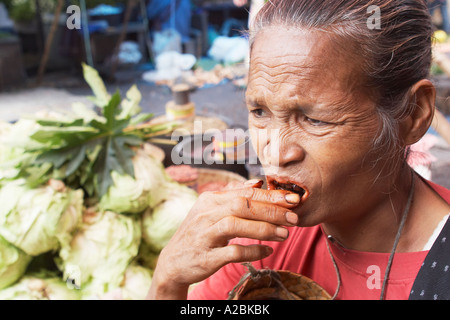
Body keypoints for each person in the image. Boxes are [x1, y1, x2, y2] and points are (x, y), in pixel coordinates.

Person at [147, 0, 450, 300]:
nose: (275, 154)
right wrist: (168, 281)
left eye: (314, 119)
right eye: (259, 111)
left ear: (413, 115)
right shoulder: (261, 242)